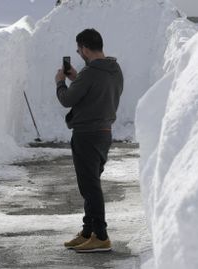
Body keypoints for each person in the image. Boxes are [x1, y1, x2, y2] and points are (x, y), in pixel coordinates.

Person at [54, 29, 123, 252]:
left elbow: (67, 100)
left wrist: (60, 83)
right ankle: (88, 231)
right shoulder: (114, 69)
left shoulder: (90, 72)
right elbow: (96, 92)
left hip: (86, 135)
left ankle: (101, 236)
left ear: (84, 48)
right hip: (104, 132)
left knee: (90, 187)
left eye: (78, 49)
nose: (78, 53)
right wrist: (76, 78)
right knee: (91, 183)